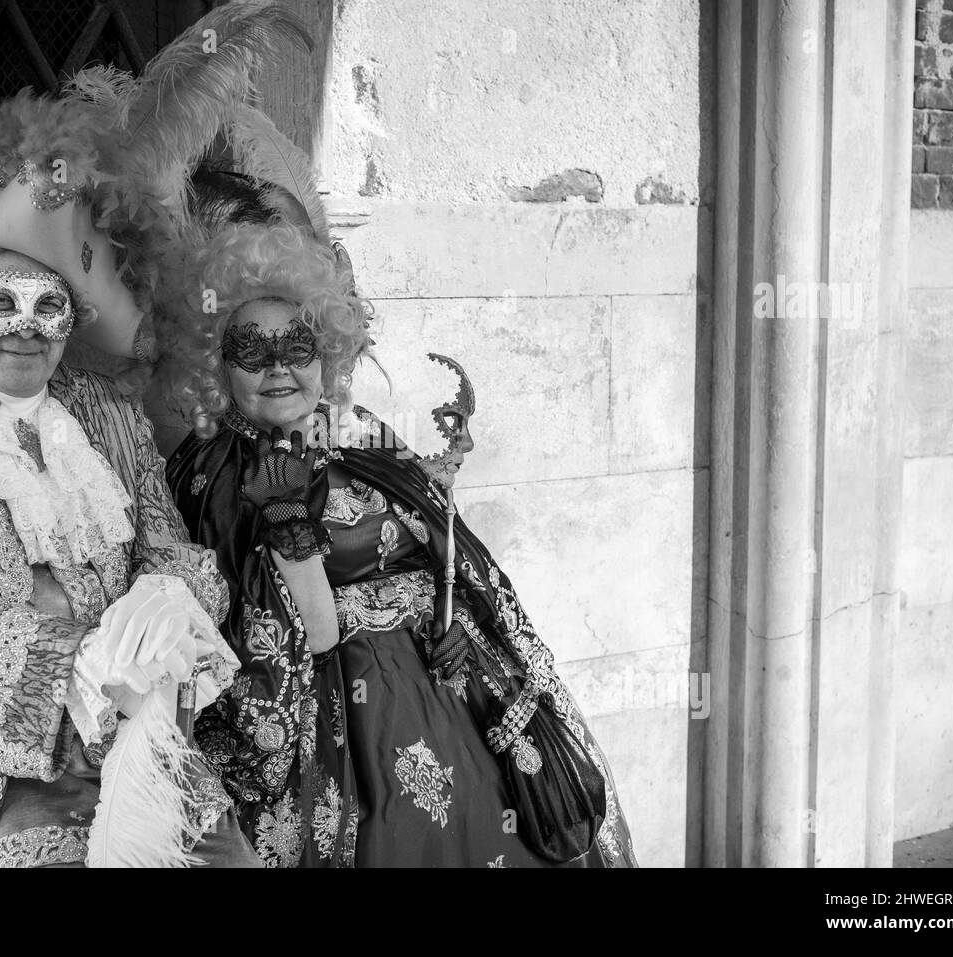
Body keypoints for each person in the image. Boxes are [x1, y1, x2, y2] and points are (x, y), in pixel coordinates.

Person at [0, 3, 309, 867]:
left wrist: (163, 624)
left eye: (50, 307)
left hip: (139, 720)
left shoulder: (106, 417)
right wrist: (74, 671)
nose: (28, 329)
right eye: (1, 303)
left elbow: (170, 545)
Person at [160, 222, 639, 867]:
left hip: (444, 694)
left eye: (296, 347)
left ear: (324, 352)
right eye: (253, 352)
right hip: (321, 724)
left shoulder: (363, 433)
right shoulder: (212, 472)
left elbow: (449, 557)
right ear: (217, 362)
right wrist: (287, 541)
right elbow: (223, 624)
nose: (279, 369)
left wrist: (458, 633)